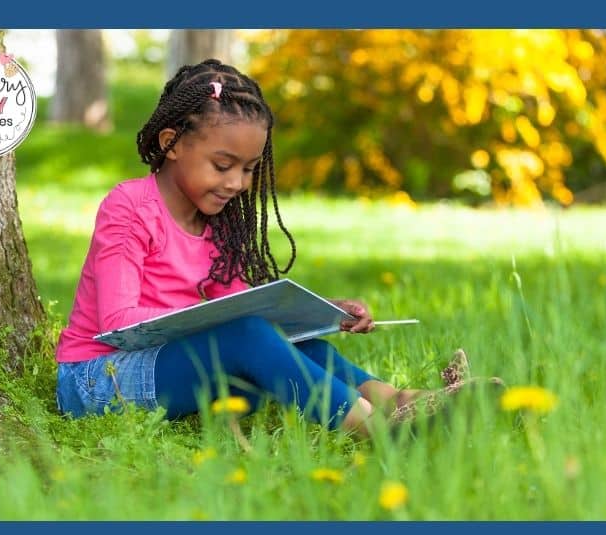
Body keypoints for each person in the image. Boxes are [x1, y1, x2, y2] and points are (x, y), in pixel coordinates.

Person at [54, 59, 478, 438]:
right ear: (173, 142)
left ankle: (398, 399)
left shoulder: (220, 222)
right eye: (222, 166)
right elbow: (118, 319)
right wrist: (226, 325)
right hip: (97, 378)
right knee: (246, 334)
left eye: (249, 170)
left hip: (178, 367)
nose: (237, 183)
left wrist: (323, 312)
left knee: (284, 341)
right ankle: (374, 430)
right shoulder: (129, 207)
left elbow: (239, 307)